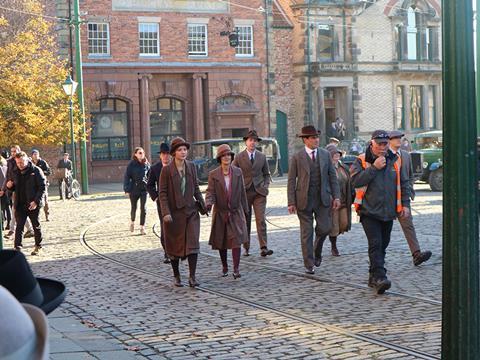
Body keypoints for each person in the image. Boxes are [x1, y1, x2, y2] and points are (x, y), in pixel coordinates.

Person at [351, 130, 411, 294]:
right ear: (372, 143)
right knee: (375, 243)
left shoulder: (395, 160)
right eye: (380, 144)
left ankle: (373, 274)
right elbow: (355, 181)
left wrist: (405, 204)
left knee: (383, 244)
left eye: (385, 144)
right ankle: (379, 277)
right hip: (368, 211)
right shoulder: (362, 160)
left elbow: (403, 183)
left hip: (388, 212)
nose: (383, 147)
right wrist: (374, 168)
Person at [287, 125, 341, 274]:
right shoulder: (297, 157)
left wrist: (336, 196)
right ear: (305, 140)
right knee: (306, 233)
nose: (316, 140)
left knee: (325, 228)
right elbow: (291, 180)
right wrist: (291, 202)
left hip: (323, 198)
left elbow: (332, 177)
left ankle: (317, 251)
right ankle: (309, 263)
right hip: (303, 199)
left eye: (317, 137)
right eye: (312, 138)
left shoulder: (324, 155)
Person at [159, 137, 206, 287]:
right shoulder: (166, 170)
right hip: (174, 214)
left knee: (193, 243)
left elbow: (196, 188)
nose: (183, 152)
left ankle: (192, 277)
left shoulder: (191, 167)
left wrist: (203, 204)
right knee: (174, 245)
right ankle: (177, 275)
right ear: (174, 153)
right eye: (180, 150)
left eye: (185, 149)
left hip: (191, 211)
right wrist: (166, 212)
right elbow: (162, 193)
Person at [206, 144, 249, 279]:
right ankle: (225, 265)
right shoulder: (213, 174)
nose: (227, 157)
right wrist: (208, 204)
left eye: (229, 155)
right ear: (219, 158)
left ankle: (236, 269)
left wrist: (245, 210)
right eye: (224, 155)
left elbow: (242, 191)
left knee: (236, 240)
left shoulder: (237, 172)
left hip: (235, 211)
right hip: (221, 212)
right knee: (222, 241)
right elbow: (210, 192)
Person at [389, 130, 432, 266]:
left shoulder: (406, 155)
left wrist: (410, 190)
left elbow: (410, 175)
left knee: (408, 225)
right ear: (389, 141)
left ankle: (416, 254)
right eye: (395, 138)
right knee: (382, 230)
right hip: (387, 198)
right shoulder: (386, 155)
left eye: (400, 138)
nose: (398, 140)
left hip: (403, 198)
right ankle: (377, 260)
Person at [232, 130, 273, 257]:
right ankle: (246, 247)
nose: (252, 143)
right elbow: (233, 173)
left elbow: (267, 174)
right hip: (244, 193)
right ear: (246, 142)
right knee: (246, 220)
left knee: (260, 219)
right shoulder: (239, 157)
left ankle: (264, 247)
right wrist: (237, 189)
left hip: (259, 192)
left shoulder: (261, 156)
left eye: (254, 140)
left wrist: (265, 186)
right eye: (250, 140)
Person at [6, 152, 46, 255]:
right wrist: (9, 186)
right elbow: (14, 187)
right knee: (19, 227)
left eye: (22, 162)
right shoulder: (15, 172)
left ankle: (38, 246)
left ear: (27, 160)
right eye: (18, 163)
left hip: (33, 204)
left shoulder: (36, 170)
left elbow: (42, 187)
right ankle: (17, 248)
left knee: (35, 225)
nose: (20, 165)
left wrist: (36, 201)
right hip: (20, 204)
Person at [325, 144, 352, 256]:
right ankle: (334, 246)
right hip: (333, 202)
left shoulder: (343, 167)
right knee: (334, 226)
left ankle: (332, 236)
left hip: (345, 200)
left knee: (344, 224)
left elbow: (349, 182)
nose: (336, 155)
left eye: (337, 153)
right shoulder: (325, 169)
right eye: (334, 153)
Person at [146, 143, 171, 263]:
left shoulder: (175, 166)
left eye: (167, 154)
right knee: (165, 226)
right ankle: (167, 252)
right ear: (160, 155)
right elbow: (149, 185)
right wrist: (156, 197)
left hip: (175, 201)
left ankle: (177, 250)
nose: (166, 156)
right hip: (162, 202)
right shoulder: (155, 168)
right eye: (163, 154)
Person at [3, 146, 34, 239]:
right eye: (11, 151)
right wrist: (7, 187)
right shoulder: (9, 162)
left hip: (23, 189)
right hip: (13, 188)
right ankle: (29, 229)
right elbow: (8, 175)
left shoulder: (25, 161)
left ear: (19, 151)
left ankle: (13, 230)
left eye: (15, 151)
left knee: (16, 209)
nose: (13, 153)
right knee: (16, 209)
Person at [124, 147, 150, 235]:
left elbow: (150, 176)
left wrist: (151, 188)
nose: (141, 154)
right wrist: (127, 189)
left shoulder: (146, 164)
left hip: (144, 190)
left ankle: (142, 227)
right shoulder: (131, 165)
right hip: (134, 190)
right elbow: (127, 177)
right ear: (135, 154)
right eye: (139, 153)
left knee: (144, 208)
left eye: (142, 152)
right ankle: (132, 222)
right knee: (134, 208)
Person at [31, 150, 51, 222]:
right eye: (34, 154)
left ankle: (47, 215)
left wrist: (41, 172)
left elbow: (49, 172)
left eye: (37, 154)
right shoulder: (30, 163)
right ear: (32, 155)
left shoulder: (43, 162)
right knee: (34, 200)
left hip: (42, 183)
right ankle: (36, 217)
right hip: (33, 184)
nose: (36, 156)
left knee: (45, 200)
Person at [0, 156, 12, 231]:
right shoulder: (5, 166)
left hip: (3, 190)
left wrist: (2, 190)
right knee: (7, 207)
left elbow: (3, 179)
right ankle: (8, 224)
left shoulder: (2, 167)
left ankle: (3, 224)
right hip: (6, 190)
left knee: (3, 208)